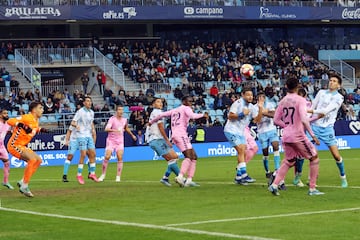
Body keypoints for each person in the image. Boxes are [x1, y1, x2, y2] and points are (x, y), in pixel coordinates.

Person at [268, 77, 323, 196]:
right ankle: (312, 189)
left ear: (286, 86)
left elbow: (276, 120)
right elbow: (304, 119)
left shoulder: (282, 101)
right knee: (314, 158)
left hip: (286, 136)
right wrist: (313, 135)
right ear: (297, 86)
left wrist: (287, 126)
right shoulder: (300, 100)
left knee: (289, 160)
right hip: (298, 135)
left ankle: (274, 185)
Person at [149, 96, 206, 187]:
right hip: (180, 135)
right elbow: (192, 116)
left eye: (192, 101)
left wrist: (151, 122)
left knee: (194, 157)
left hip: (176, 135)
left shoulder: (175, 110)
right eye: (189, 101)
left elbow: (161, 115)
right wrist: (203, 115)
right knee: (188, 156)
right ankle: (180, 176)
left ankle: (189, 180)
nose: (191, 103)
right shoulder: (186, 108)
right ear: (184, 101)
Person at [307, 73, 348, 188]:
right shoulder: (321, 92)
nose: (331, 82)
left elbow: (325, 111)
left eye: (335, 81)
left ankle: (343, 177)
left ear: (339, 85)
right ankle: (309, 177)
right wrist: (307, 116)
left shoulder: (339, 98)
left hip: (327, 129)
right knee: (312, 154)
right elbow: (313, 106)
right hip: (314, 126)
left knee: (336, 155)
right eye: (330, 80)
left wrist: (310, 112)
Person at [6, 101, 48, 197]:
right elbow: (10, 121)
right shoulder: (26, 117)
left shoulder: (35, 121)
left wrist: (41, 129)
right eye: (40, 108)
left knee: (38, 160)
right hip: (14, 145)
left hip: (22, 146)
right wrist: (21, 125)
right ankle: (24, 185)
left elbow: (34, 128)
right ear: (34, 110)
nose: (42, 110)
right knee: (32, 159)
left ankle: (22, 182)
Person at [224, 87, 263, 185]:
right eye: (248, 95)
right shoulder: (237, 103)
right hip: (231, 130)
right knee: (241, 150)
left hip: (240, 132)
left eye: (251, 95)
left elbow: (257, 120)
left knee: (243, 152)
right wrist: (242, 114)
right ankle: (244, 175)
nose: (250, 97)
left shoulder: (252, 107)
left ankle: (238, 177)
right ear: (243, 95)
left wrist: (261, 108)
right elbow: (230, 116)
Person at [145, 98, 182, 187]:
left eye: (161, 102)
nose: (160, 103)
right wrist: (167, 140)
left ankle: (165, 178)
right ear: (153, 104)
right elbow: (161, 127)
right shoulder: (156, 112)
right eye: (158, 102)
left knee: (175, 157)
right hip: (156, 139)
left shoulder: (158, 113)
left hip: (159, 139)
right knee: (171, 159)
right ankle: (181, 178)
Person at [98, 105, 137, 182]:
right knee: (107, 156)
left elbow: (126, 128)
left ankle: (118, 176)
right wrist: (115, 130)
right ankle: (103, 175)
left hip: (120, 141)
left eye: (122, 110)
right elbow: (106, 129)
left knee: (119, 157)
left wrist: (132, 135)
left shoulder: (124, 120)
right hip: (111, 141)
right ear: (116, 111)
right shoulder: (112, 119)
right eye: (119, 109)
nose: (121, 111)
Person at [70, 96, 99, 184]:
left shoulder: (92, 112)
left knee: (93, 154)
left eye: (90, 101)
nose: (89, 103)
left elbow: (91, 123)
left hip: (88, 134)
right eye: (87, 101)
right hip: (81, 135)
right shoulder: (80, 112)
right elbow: (73, 122)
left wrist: (93, 130)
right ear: (84, 103)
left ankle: (92, 174)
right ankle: (79, 175)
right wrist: (76, 126)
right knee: (83, 154)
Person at [255, 92, 281, 179]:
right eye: (260, 97)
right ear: (257, 99)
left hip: (271, 129)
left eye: (263, 97)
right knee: (265, 152)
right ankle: (267, 171)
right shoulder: (254, 108)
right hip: (262, 132)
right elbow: (257, 120)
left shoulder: (270, 104)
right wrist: (262, 111)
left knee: (275, 146)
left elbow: (274, 114)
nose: (262, 98)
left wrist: (263, 113)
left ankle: (277, 169)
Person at [0, 108, 13, 189]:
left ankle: (5, 181)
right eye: (4, 113)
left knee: (7, 163)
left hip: (1, 147)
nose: (6, 115)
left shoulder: (8, 124)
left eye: (7, 113)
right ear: (0, 115)